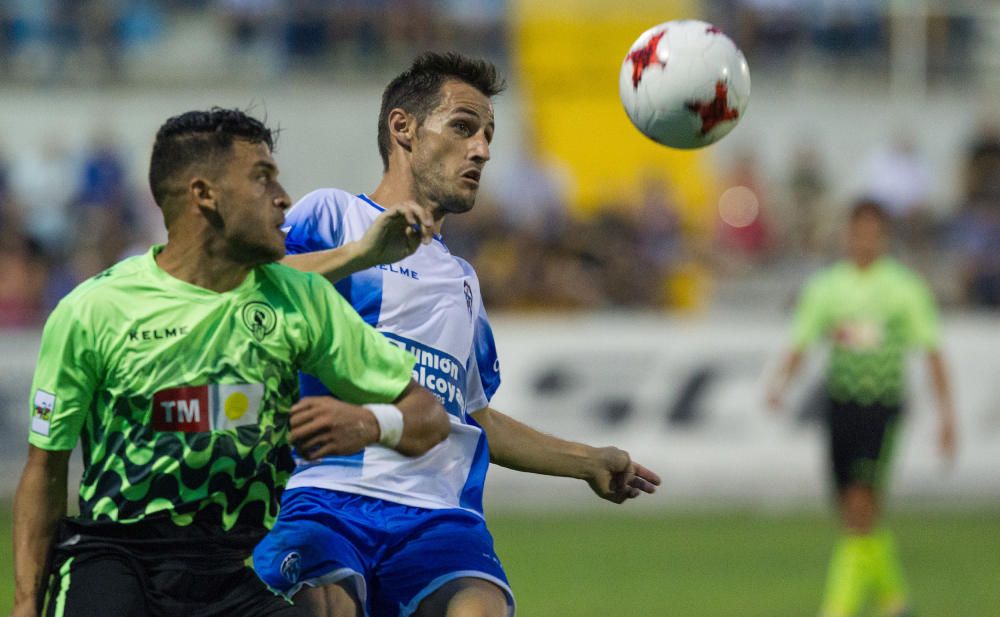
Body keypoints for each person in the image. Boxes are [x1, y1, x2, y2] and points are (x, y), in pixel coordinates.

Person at [253, 52, 662, 617]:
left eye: (489, 135)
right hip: (326, 496)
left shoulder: (463, 279)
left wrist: (584, 460)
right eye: (464, 127)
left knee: (479, 610)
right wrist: (360, 254)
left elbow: (473, 417)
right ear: (403, 129)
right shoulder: (335, 215)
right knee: (327, 608)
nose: (482, 150)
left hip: (438, 518)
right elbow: (249, 288)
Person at [11, 108, 450, 617]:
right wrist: (26, 603)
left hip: (225, 572)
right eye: (262, 178)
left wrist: (371, 423)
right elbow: (45, 469)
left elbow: (429, 416)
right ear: (205, 196)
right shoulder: (94, 310)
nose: (284, 198)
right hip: (115, 558)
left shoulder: (299, 299)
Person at [767, 199, 957, 617]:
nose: (865, 239)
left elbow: (932, 352)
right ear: (847, 235)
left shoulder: (904, 288)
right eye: (858, 231)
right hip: (841, 406)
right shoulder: (827, 287)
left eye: (873, 231)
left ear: (884, 237)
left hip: (882, 408)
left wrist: (947, 417)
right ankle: (894, 598)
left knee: (860, 505)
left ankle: (838, 608)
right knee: (853, 514)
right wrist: (780, 382)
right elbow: (803, 339)